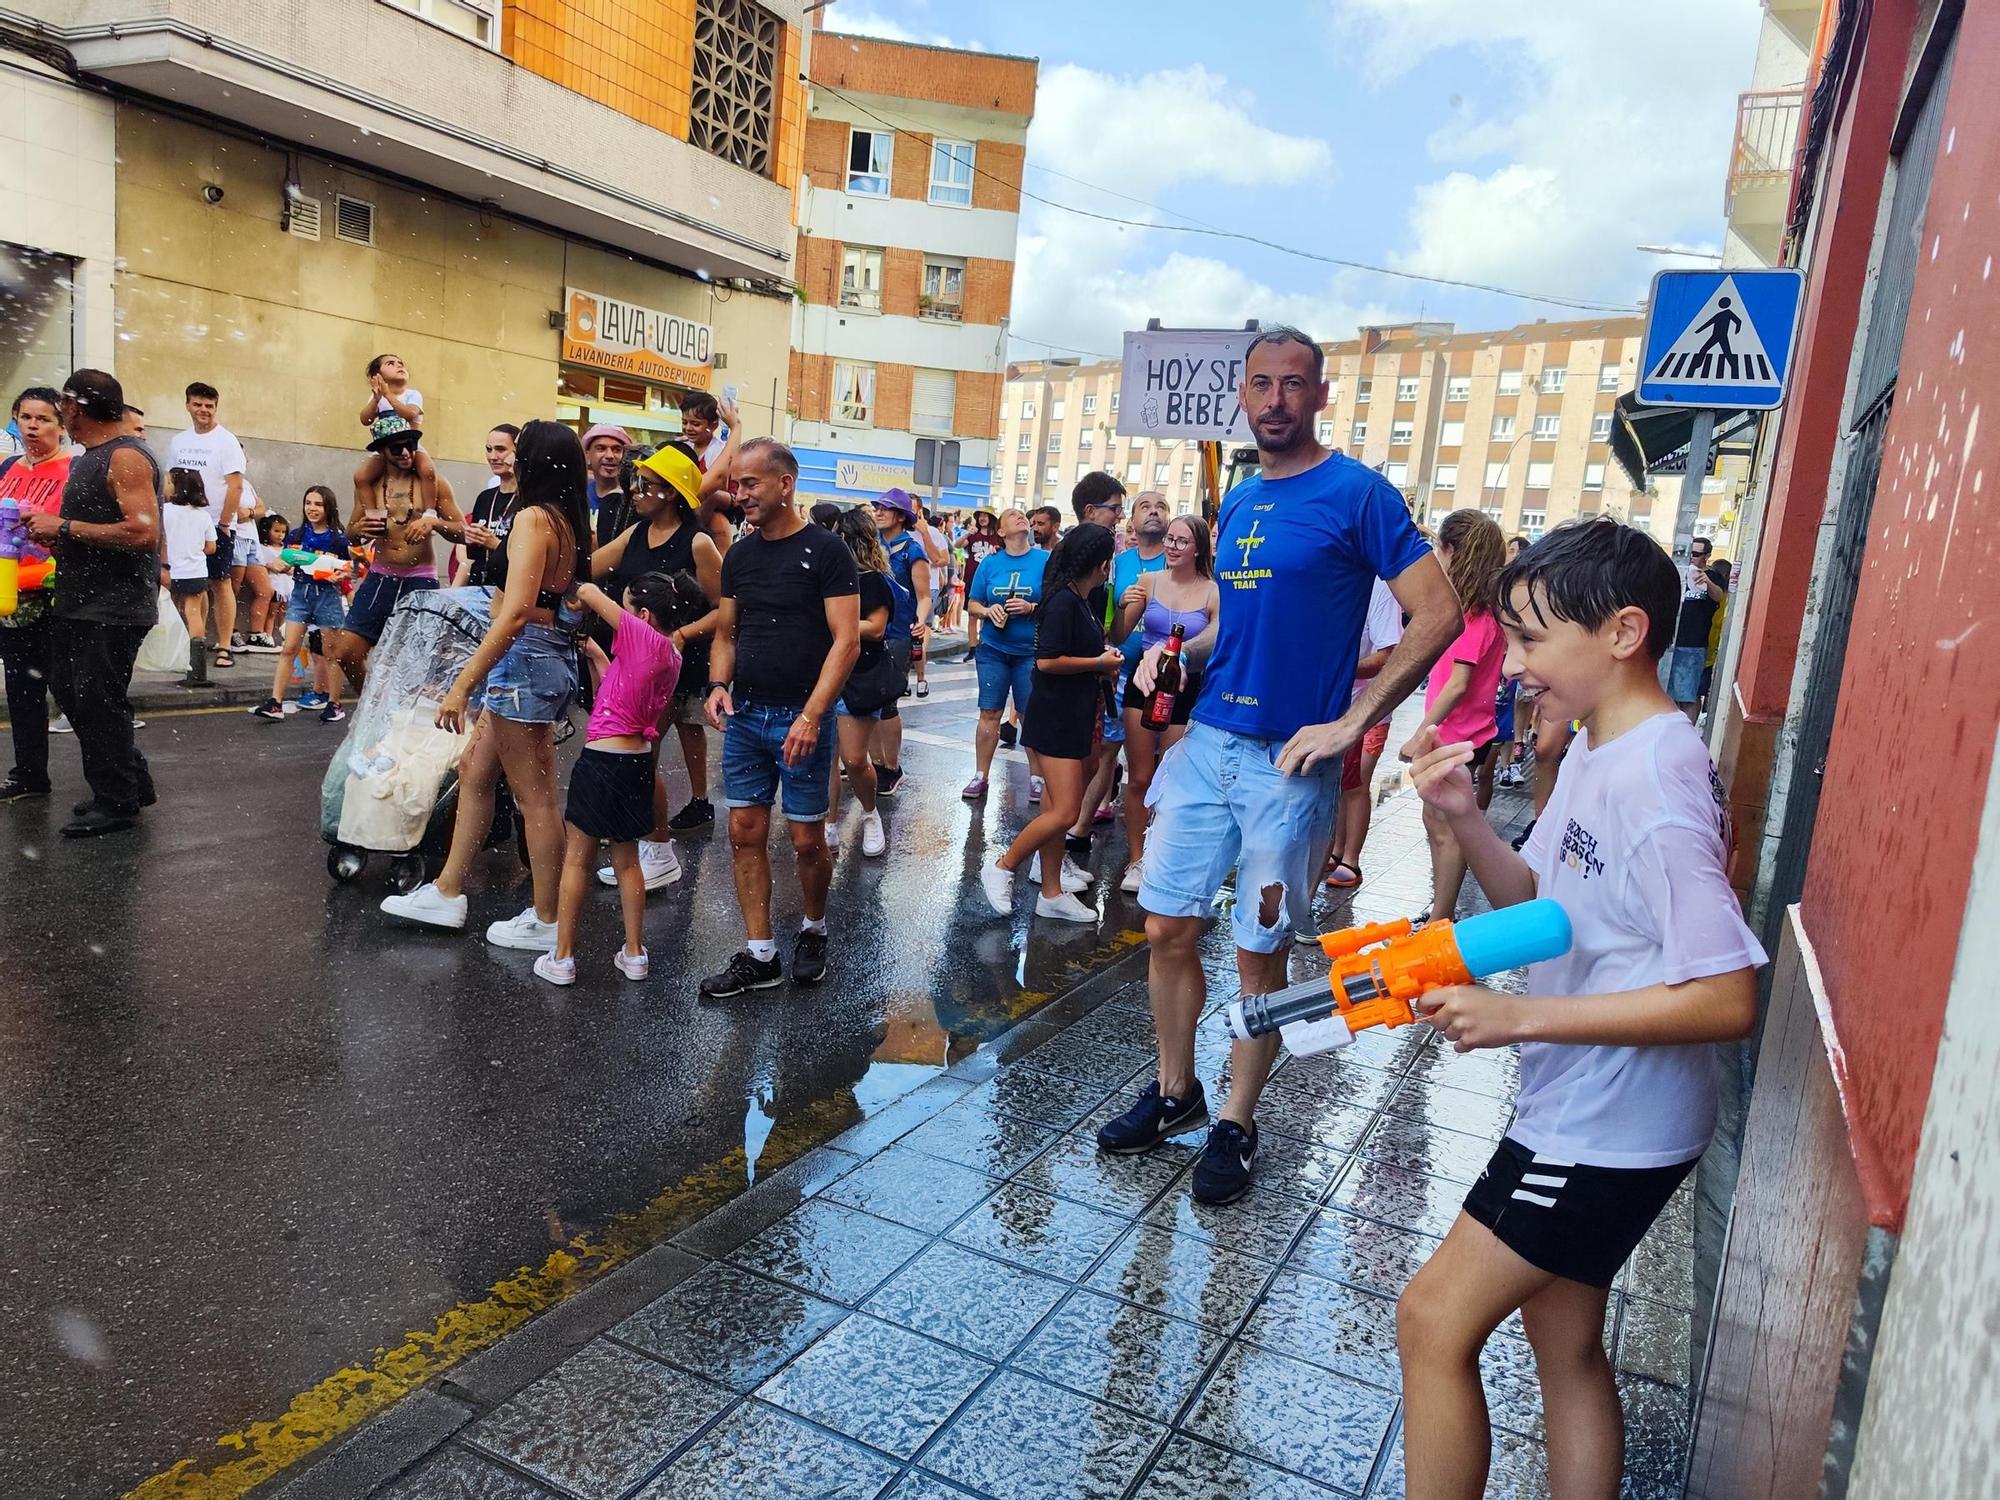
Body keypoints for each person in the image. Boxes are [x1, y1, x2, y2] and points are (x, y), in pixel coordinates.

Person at [1397, 516, 1765, 1500]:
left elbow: (1727, 996)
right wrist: (1464, 818)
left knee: (1430, 1321)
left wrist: (1520, 1020)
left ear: (1621, 632)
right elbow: (1535, 905)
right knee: (1563, 1349)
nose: (1511, 664)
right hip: (1584, 1109)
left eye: (1529, 639)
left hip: (1606, 1127)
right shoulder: (1602, 747)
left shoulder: (1658, 783)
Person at [1095, 326, 1461, 1205]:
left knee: (1260, 952)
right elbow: (1238, 626)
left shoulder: (1357, 494)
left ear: (1319, 396)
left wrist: (1352, 722)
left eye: (1293, 385)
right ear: (1244, 395)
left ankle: (1237, 1120)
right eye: (1260, 384)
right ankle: (1177, 1093)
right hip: (1211, 744)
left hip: (1286, 768)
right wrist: (1174, 651)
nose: (1274, 400)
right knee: (1166, 929)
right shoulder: (1247, 500)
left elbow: (1439, 612)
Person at [380, 420, 588, 949]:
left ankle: (547, 920)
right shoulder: (563, 519)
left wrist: (462, 686)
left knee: (535, 798)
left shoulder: (534, 518)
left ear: (534, 462)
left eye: (519, 452)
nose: (511, 459)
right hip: (534, 661)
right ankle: (447, 890)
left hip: (522, 664)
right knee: (475, 768)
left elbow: (516, 613)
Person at [700, 438, 859, 998]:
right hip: (745, 714)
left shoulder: (827, 552)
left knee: (806, 840)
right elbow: (725, 633)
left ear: (784, 484)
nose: (738, 493)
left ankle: (813, 928)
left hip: (801, 717)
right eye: (735, 484)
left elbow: (846, 643)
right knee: (744, 831)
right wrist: (719, 685)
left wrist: (813, 715)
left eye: (750, 483)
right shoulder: (740, 556)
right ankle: (760, 953)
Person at [539, 570, 708, 987]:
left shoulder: (643, 636)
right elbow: (621, 679)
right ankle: (634, 953)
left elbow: (592, 593)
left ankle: (562, 958)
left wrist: (578, 591)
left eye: (630, 606)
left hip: (601, 762)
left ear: (644, 615)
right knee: (628, 860)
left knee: (577, 859)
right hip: (637, 763)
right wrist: (595, 652)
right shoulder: (669, 654)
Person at [24, 370, 162, 837]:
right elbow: (93, 530)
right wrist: (52, 534)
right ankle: (130, 779)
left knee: (96, 700)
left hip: (114, 607)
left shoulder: (125, 455)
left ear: (75, 408)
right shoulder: (90, 457)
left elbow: (143, 532)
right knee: (71, 690)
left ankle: (117, 801)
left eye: (63, 405)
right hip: (80, 600)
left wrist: (63, 528)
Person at [587, 442, 724, 881]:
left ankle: (657, 851)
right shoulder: (635, 534)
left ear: (670, 492)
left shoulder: (698, 542)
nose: (635, 491)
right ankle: (647, 843)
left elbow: (727, 609)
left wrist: (680, 635)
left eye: (645, 484)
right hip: (635, 660)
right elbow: (589, 567)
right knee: (638, 750)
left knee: (639, 750)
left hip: (671, 663)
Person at [979, 523, 1123, 923]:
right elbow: (1046, 661)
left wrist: (1100, 660)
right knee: (1065, 811)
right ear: (1100, 563)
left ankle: (1051, 891)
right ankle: (1004, 866)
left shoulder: (1079, 599)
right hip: (1056, 716)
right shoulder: (1063, 602)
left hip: (1072, 713)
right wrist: (1098, 662)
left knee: (1056, 806)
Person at [1400, 510, 1510, 925]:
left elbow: (1458, 683)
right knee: (1437, 822)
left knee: (1447, 829)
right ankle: (1439, 908)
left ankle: (1441, 917)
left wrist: (1418, 735)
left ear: (1452, 552)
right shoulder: (1477, 612)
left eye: (1439, 549)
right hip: (1460, 734)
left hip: (1457, 738)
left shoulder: (1474, 618)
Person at [1111, 511, 1215, 894]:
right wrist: (1122, 604)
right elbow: (1119, 632)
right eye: (1169, 539)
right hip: (1144, 681)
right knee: (1139, 776)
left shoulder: (1212, 591)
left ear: (1198, 548)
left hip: (1186, 688)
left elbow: (1217, 640)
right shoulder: (1148, 581)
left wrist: (1181, 654)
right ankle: (1136, 859)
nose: (1171, 547)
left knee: (1171, 779)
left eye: (1180, 541)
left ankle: (1164, 856)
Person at [328, 414, 471, 691]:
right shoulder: (371, 484)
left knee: (415, 665)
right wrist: (361, 529)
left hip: (419, 579)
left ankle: (400, 718)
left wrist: (435, 522)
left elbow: (462, 532)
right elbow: (350, 535)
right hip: (381, 577)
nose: (406, 453)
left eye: (410, 446)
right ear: (382, 451)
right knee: (347, 653)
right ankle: (373, 707)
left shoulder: (433, 483)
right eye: (397, 448)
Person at [0, 387, 72, 803]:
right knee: (20, 689)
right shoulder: (9, 466)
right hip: (12, 594)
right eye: (26, 417)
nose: (32, 426)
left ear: (61, 425)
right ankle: (29, 773)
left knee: (72, 692)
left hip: (54, 595)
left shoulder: (73, 469)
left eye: (43, 419)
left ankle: (123, 776)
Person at [1322, 578, 1411, 892]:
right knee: (1337, 780)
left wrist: (1341, 669)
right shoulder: (1328, 572)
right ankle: (1335, 849)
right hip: (1330, 700)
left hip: (1369, 705)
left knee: (1356, 779)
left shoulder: (1379, 587)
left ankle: (1351, 859)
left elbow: (1389, 652)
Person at [1058, 474, 1129, 857]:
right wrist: (1097, 658)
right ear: (1090, 511)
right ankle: (1037, 860)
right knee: (1066, 784)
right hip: (1074, 683)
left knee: (1092, 757)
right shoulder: (1069, 565)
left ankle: (1060, 853)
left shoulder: (1106, 554)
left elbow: (1103, 622)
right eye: (1114, 509)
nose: (1119, 517)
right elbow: (1050, 654)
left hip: (1094, 675)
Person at [825, 507, 898, 858]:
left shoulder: (872, 581)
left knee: (854, 760)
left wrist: (837, 626)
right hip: (824, 672)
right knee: (825, 757)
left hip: (861, 675)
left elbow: (877, 627)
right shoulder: (827, 577)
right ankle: (828, 823)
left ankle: (870, 815)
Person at [961, 507, 1047, 799]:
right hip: (994, 649)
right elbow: (972, 603)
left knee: (1029, 714)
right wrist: (988, 610)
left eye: (1023, 514)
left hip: (1030, 651)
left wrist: (1031, 608)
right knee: (990, 712)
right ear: (1001, 531)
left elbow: (1057, 602)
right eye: (1012, 515)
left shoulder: (1045, 561)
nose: (1021, 517)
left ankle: (1037, 778)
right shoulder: (990, 564)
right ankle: (979, 775)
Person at [165, 381, 249, 669]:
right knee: (193, 587)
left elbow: (235, 486)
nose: (203, 410)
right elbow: (171, 481)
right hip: (183, 524)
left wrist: (224, 523)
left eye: (209, 406)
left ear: (216, 408)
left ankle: (224, 646)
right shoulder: (179, 441)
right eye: (198, 404)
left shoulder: (225, 441)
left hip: (215, 522)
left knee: (220, 582)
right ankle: (195, 646)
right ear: (188, 405)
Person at [252, 486, 349, 724]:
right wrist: (277, 564)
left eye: (318, 504)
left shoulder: (338, 538)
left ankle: (334, 704)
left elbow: (351, 567)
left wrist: (340, 574)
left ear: (329, 507)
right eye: (308, 503)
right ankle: (275, 703)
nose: (312, 509)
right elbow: (285, 560)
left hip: (328, 596)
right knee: (289, 648)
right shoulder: (296, 534)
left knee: (331, 654)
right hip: (300, 594)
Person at [868, 488, 931, 795]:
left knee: (888, 701)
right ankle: (875, 763)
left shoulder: (912, 551)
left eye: (886, 508)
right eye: (877, 507)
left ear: (901, 516)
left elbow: (925, 597)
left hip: (898, 633)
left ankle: (892, 767)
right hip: (869, 630)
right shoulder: (871, 545)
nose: (878, 511)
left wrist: (920, 621)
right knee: (867, 700)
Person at [349, 354, 438, 520]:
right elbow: (365, 419)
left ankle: (430, 511)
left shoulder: (412, 394)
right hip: (387, 449)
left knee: (428, 470)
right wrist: (375, 400)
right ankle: (373, 514)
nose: (399, 366)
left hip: (410, 447)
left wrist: (388, 395)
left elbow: (409, 413)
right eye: (391, 363)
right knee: (361, 477)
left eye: (401, 363)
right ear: (378, 376)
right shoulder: (377, 398)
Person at [160, 467, 218, 683]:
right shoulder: (202, 516)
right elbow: (211, 547)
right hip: (195, 572)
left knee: (170, 612)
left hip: (170, 571)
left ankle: (172, 656)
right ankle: (197, 668)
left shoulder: (164, 511)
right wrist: (195, 550)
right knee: (193, 613)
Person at [1666, 534, 1725, 717]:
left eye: (1696, 554)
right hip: (1670, 641)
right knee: (1665, 694)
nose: (1691, 557)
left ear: (1706, 556)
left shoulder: (1712, 576)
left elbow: (1719, 597)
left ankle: (1687, 734)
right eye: (1689, 552)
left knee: (1688, 696)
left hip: (1694, 643)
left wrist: (1707, 582)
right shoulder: (1679, 572)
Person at [456, 425, 518, 588]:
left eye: (500, 449)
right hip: (477, 587)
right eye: (489, 449)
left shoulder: (528, 501)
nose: (493, 456)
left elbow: (528, 560)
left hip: (506, 591)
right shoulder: (485, 498)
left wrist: (495, 544)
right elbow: (471, 558)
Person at [583, 424, 632, 550]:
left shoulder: (633, 499)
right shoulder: (578, 493)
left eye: (617, 449)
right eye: (601, 449)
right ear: (588, 455)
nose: (610, 456)